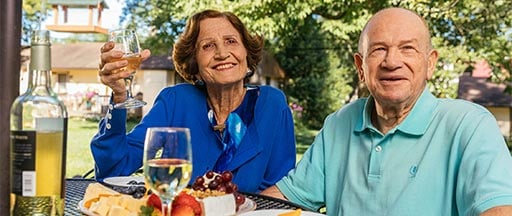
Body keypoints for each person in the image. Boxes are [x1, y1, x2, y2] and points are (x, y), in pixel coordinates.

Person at [261, 7, 512, 215]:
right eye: (379, 49)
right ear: (361, 67)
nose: (391, 62)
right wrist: (238, 207)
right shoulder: (339, 123)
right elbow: (288, 197)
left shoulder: (470, 125)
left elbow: (498, 208)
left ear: (430, 64)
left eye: (408, 49)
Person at [92, 9, 296, 193]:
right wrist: (119, 97)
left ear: (246, 54)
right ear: (195, 64)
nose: (222, 53)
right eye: (208, 46)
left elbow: (279, 189)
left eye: (231, 41)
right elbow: (115, 170)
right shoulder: (176, 101)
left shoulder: (272, 105)